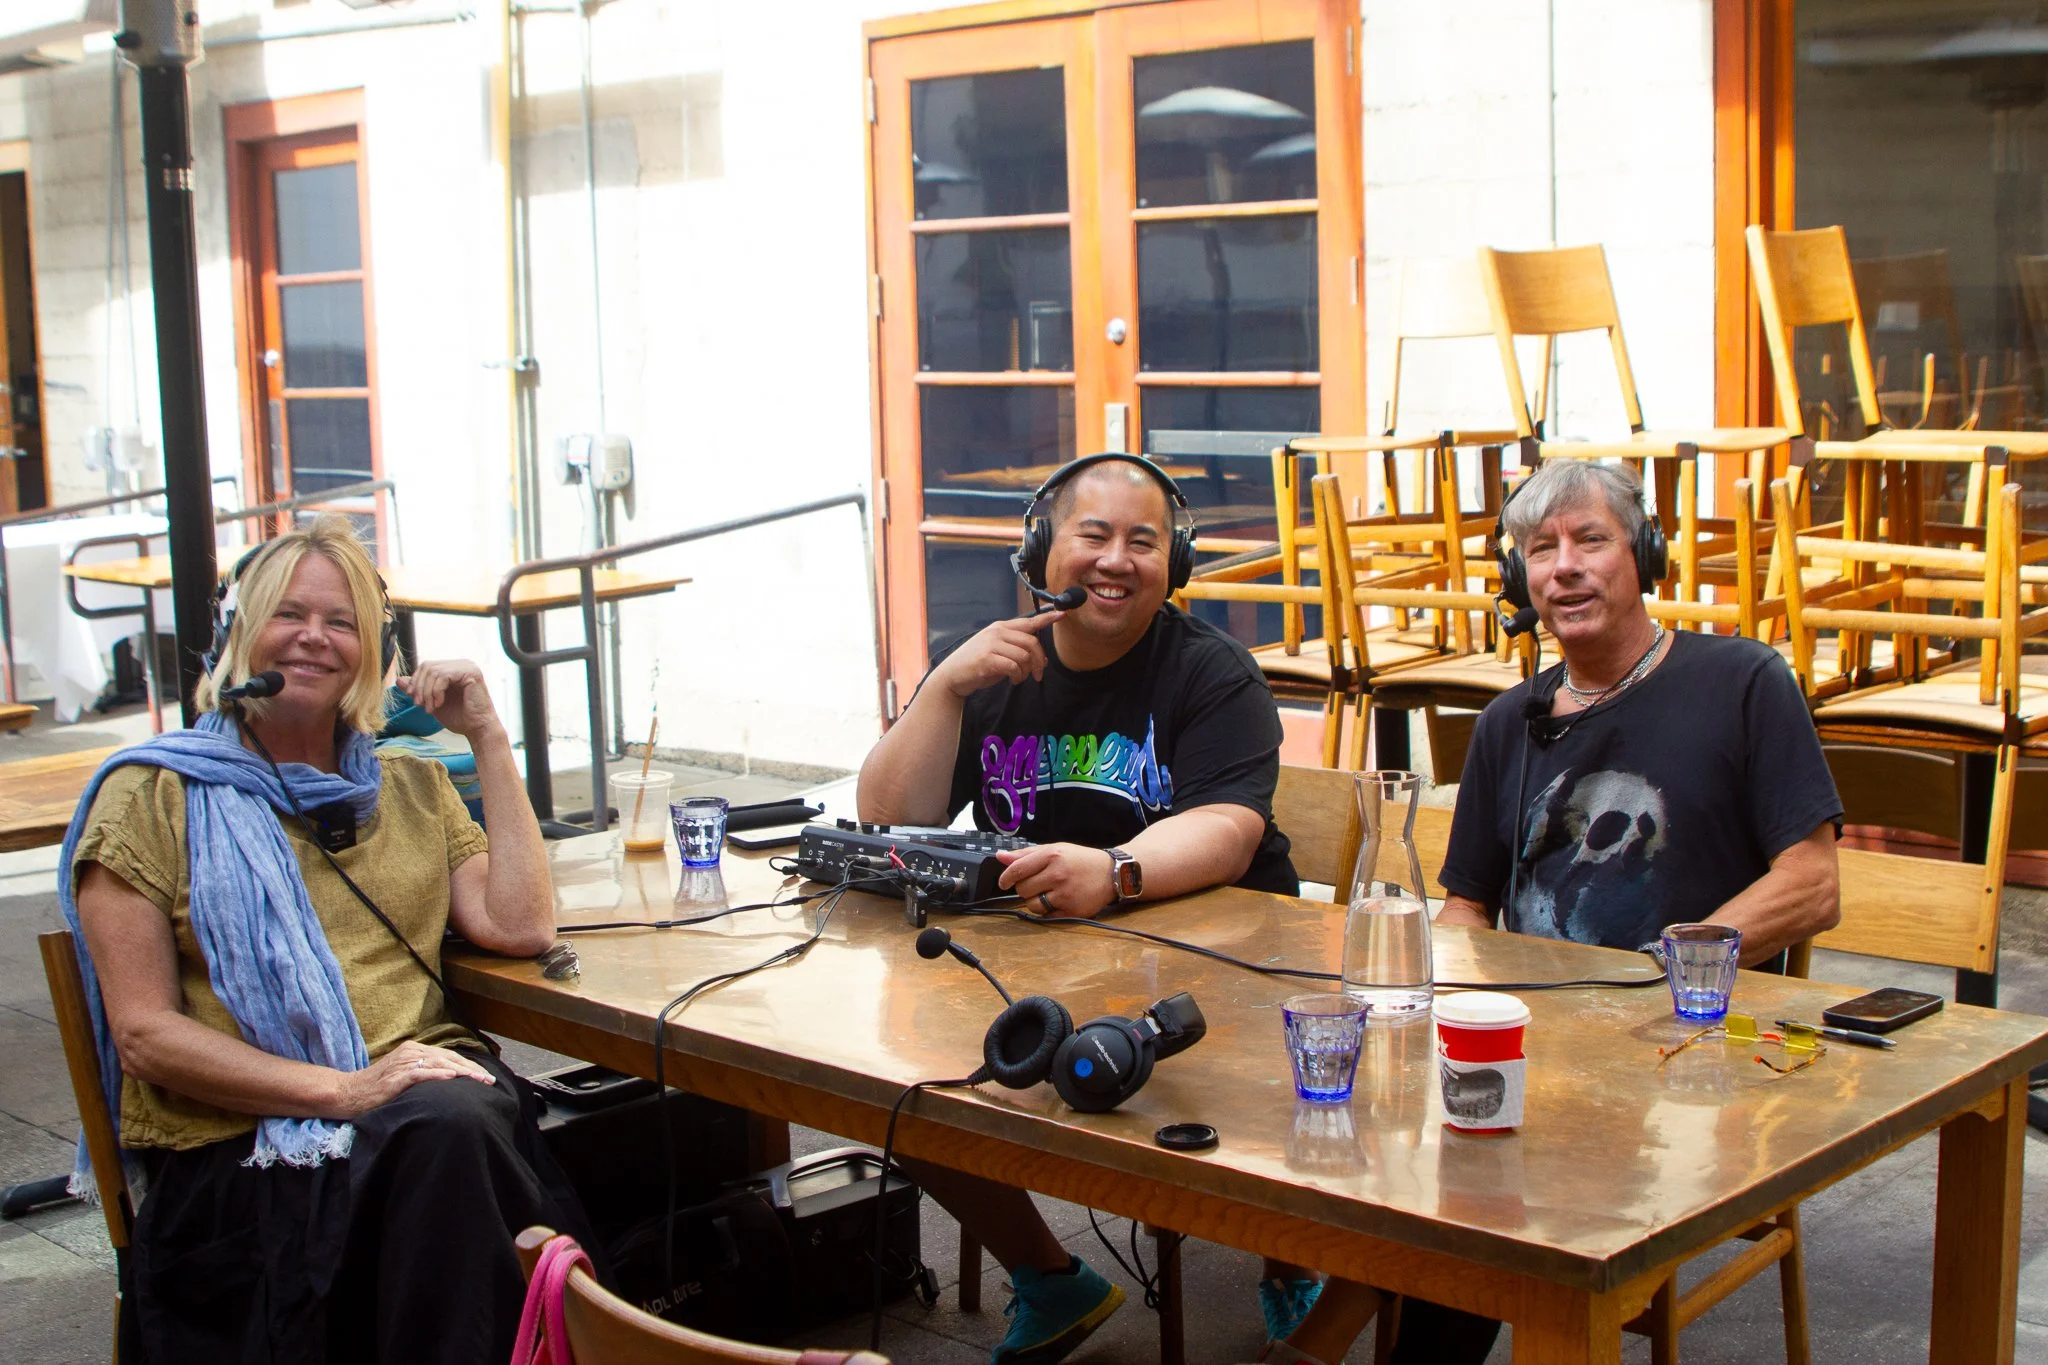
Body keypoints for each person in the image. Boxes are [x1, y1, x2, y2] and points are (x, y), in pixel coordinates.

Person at [1282, 457, 1842, 1365]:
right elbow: (1468, 908)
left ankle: (1316, 1346)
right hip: (1530, 1042)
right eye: (1541, 549)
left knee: (1468, 1169)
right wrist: (1423, 1014)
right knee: (1396, 1131)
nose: (1565, 566)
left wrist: (1662, 966)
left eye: (1591, 539)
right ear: (1520, 579)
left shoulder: (1742, 680)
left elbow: (1813, 881)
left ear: (1643, 554)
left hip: (1677, 1054)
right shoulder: (1511, 721)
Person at [62, 516, 589, 1365]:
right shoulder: (153, 796)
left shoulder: (412, 785)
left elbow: (521, 923)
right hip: (251, 1156)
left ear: (374, 651)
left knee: (453, 1127)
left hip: (428, 1122)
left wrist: (488, 735)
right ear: (237, 635)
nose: (314, 636)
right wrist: (344, 1090)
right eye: (289, 614)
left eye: (341, 622)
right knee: (454, 1133)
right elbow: (145, 1034)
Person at [857, 453, 1309, 1363]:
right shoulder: (993, 667)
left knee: (1276, 1080)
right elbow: (888, 816)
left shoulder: (1212, 671)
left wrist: (1116, 870)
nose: (1115, 559)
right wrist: (945, 687)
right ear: (1040, 549)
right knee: (895, 1080)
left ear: (1174, 563)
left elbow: (1230, 826)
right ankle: (1050, 1276)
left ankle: (1295, 1262)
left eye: (1143, 542)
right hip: (1041, 955)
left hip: (1216, 961)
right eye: (1093, 534)